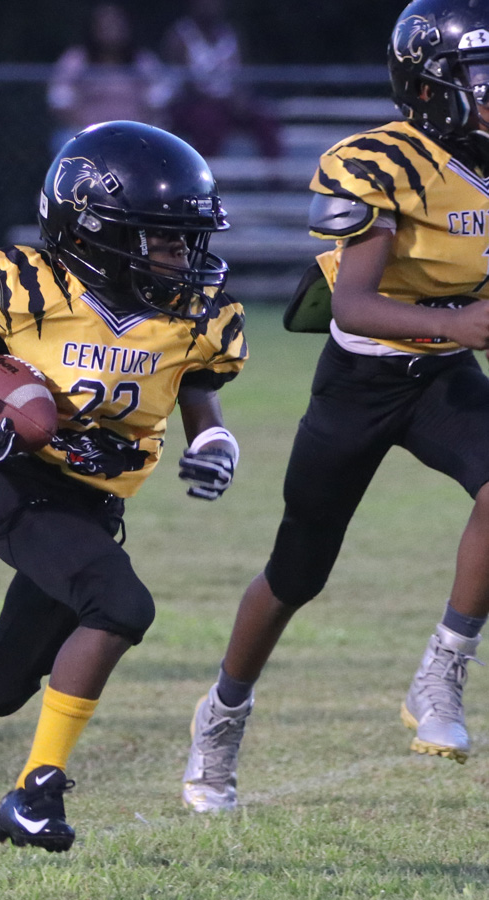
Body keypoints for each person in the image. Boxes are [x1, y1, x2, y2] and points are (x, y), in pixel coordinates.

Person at [0, 120, 247, 851]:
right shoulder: (30, 286)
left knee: (1, 682)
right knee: (119, 606)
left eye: (185, 240)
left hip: (96, 507)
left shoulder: (194, 317)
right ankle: (35, 792)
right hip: (25, 490)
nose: (182, 257)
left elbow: (201, 406)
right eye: (164, 240)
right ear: (94, 231)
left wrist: (216, 447)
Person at [182, 0, 489, 813]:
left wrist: (461, 332)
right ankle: (221, 714)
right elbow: (352, 304)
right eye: (481, 76)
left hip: (443, 377)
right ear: (428, 87)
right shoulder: (381, 162)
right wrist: (458, 323)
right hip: (359, 382)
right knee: (296, 573)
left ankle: (442, 672)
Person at [159, 0, 281, 159]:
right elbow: (183, 83)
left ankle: (276, 170)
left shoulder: (230, 35)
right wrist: (221, 100)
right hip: (194, 103)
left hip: (228, 103)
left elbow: (242, 74)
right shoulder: (180, 36)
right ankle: (205, 169)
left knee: (264, 117)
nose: (210, 5)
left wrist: (241, 97)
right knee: (209, 121)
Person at [47, 3, 172, 152]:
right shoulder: (76, 60)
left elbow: (159, 99)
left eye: (115, 24)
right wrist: (88, 125)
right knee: (63, 140)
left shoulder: (143, 61)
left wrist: (134, 125)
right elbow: (59, 100)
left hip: (135, 132)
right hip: (86, 132)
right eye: (104, 25)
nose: (110, 30)